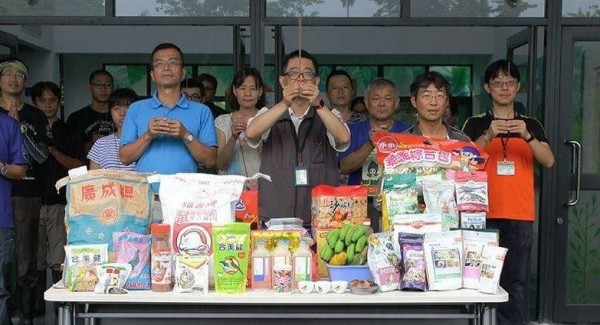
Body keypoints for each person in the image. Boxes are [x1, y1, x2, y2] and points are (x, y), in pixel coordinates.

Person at [462, 60, 554, 325]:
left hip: (519, 213)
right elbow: (463, 161)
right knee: (479, 277)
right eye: (497, 83)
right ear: (486, 88)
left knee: (516, 281)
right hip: (480, 213)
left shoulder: (531, 124)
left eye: (510, 82)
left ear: (518, 87)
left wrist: (527, 136)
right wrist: (488, 135)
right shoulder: (475, 123)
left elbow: (548, 161)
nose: (504, 88)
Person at [246, 49, 350, 228]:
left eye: (308, 74)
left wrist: (318, 103)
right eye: (293, 73)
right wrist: (285, 103)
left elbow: (344, 138)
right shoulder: (269, 114)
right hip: (275, 219)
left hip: (322, 220)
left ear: (316, 82)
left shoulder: (327, 114)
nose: (301, 79)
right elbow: (251, 133)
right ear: (282, 80)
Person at [120, 43, 217, 186]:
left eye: (173, 62)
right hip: (146, 195)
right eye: (159, 63)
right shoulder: (136, 109)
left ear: (183, 72)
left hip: (186, 195)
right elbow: (124, 158)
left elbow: (210, 161)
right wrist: (148, 135)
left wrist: (185, 135)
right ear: (152, 75)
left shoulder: (202, 111)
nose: (166, 68)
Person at [0, 57, 52, 325]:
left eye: (19, 75)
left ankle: (27, 314)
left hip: (27, 193)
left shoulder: (35, 115)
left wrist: (18, 130)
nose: (13, 78)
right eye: (7, 73)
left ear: (25, 82)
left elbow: (42, 157)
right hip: (1, 193)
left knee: (26, 258)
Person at [31, 81, 84, 315]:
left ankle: (60, 311)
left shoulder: (70, 130)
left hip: (60, 200)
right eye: (43, 100)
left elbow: (79, 165)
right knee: (34, 257)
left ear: (59, 102)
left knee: (59, 257)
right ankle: (34, 310)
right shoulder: (27, 128)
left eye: (52, 100)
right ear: (35, 103)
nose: (48, 105)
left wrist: (52, 150)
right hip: (30, 200)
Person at [338, 78, 409, 231]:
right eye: (376, 98)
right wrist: (372, 142)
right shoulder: (352, 130)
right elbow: (344, 167)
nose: (382, 104)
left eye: (387, 99)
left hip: (398, 204)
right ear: (366, 102)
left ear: (396, 103)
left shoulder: (407, 132)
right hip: (359, 204)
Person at [215, 67, 266, 190]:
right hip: (230, 191)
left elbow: (276, 160)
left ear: (260, 92)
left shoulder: (267, 119)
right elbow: (221, 165)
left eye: (253, 88)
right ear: (234, 90)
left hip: (263, 190)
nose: (247, 94)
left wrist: (255, 136)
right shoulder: (222, 121)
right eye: (242, 88)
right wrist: (233, 138)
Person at [0, 113, 27, 325]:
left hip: (1, 219)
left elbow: (20, 170)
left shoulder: (8, 125)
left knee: (1, 288)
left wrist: (1, 167)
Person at [405, 71, 470, 141]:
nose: (433, 102)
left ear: (447, 101)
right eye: (426, 96)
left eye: (439, 96)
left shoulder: (462, 141)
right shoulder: (403, 142)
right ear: (414, 101)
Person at [88, 88, 138, 171]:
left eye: (128, 107)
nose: (122, 113)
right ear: (110, 112)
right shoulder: (100, 144)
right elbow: (93, 179)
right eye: (117, 108)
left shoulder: (144, 141)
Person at [67, 69, 115, 154]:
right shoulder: (76, 118)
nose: (103, 89)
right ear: (90, 87)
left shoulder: (122, 116)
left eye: (108, 85)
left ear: (113, 88)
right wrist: (91, 143)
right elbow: (72, 152)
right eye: (98, 84)